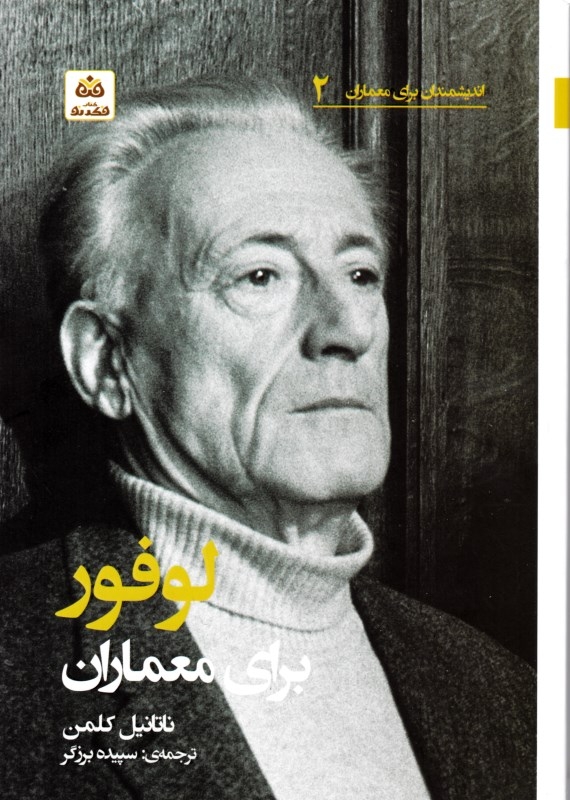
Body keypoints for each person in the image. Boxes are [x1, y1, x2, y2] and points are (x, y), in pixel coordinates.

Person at [0, 77, 534, 799]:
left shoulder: (501, 695)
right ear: (106, 361)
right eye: (260, 275)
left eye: (360, 273)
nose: (347, 328)